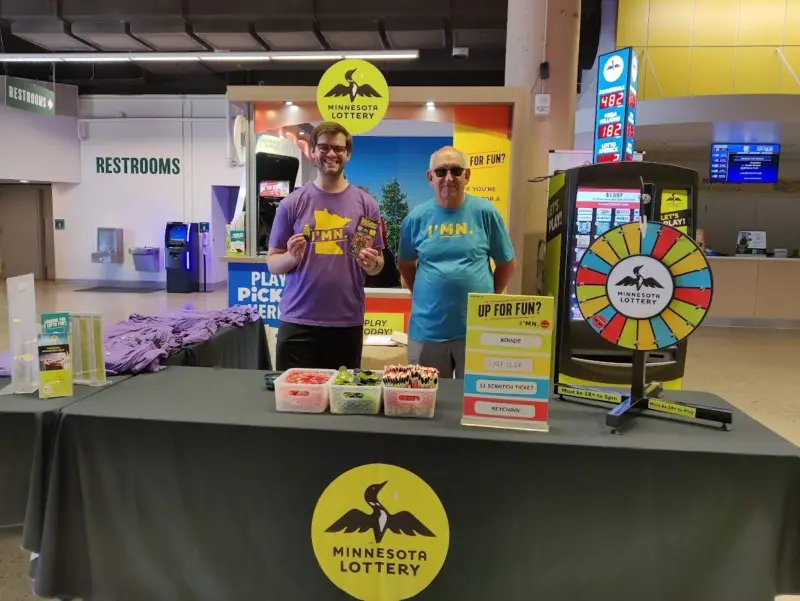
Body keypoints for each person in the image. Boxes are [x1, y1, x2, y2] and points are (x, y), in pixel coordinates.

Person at [267, 122, 384, 370]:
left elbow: (376, 264)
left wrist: (373, 264)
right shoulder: (292, 203)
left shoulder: (367, 205)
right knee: (293, 402)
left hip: (346, 323)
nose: (331, 154)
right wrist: (291, 257)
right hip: (298, 321)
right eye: (324, 147)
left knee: (342, 401)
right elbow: (273, 263)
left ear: (348, 154)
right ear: (312, 152)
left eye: (338, 148)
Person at [398, 146, 516, 378]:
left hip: (476, 331)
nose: (448, 178)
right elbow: (405, 264)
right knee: (426, 402)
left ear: (467, 175)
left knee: (476, 402)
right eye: (441, 172)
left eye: (456, 170)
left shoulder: (485, 212)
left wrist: (489, 297)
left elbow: (506, 263)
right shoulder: (415, 219)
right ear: (430, 177)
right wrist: (424, 294)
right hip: (427, 331)